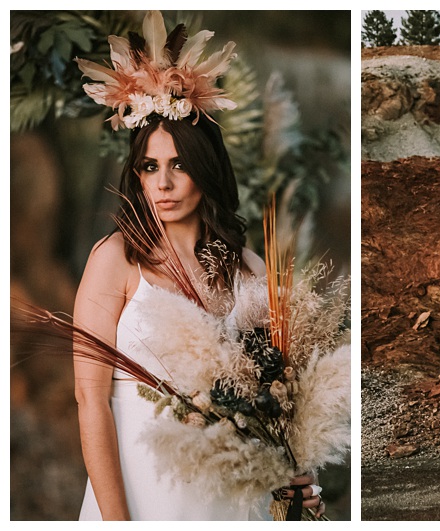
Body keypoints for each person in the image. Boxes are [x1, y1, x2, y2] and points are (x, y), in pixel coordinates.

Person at [71, 11, 324, 520]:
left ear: (205, 169)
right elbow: (88, 400)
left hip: (230, 497)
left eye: (179, 165)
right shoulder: (116, 259)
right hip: (142, 488)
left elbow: (279, 398)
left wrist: (300, 481)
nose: (162, 184)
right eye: (150, 166)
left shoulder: (247, 266)